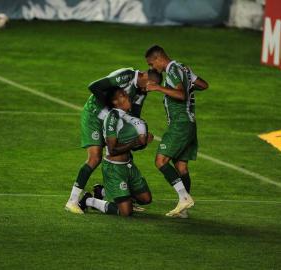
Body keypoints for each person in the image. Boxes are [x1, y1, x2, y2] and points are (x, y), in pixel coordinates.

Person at [65, 68, 162, 214]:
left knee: (123, 153)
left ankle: (107, 194)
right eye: (150, 85)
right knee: (95, 158)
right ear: (146, 77)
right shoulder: (126, 76)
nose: (150, 89)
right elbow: (94, 86)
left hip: (112, 119)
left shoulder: (141, 93)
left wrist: (141, 137)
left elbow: (134, 117)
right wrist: (113, 108)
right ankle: (72, 201)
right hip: (94, 115)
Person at [144, 45, 209, 218]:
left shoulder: (172, 69)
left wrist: (158, 88)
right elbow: (203, 85)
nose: (152, 68)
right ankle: (184, 209)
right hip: (190, 123)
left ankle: (184, 197)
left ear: (158, 58)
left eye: (151, 64)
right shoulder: (183, 68)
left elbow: (181, 95)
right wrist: (189, 85)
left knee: (161, 161)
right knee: (181, 167)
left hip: (180, 124)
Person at [78, 87, 154, 217]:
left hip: (129, 166)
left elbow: (135, 147)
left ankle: (102, 191)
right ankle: (89, 200)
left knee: (146, 199)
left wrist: (143, 142)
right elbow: (112, 150)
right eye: (122, 95)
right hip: (114, 169)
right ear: (115, 102)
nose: (127, 96)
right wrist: (135, 142)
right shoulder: (112, 117)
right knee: (126, 212)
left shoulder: (129, 116)